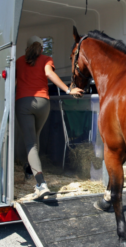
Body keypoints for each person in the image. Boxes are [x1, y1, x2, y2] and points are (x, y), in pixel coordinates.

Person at [16, 35, 84, 200]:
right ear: (41, 47)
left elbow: (14, 82)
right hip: (43, 103)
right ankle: (28, 168)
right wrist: (68, 90)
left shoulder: (18, 61)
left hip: (24, 102)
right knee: (36, 138)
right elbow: (49, 74)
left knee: (31, 143)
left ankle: (40, 184)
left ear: (27, 48)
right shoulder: (46, 59)